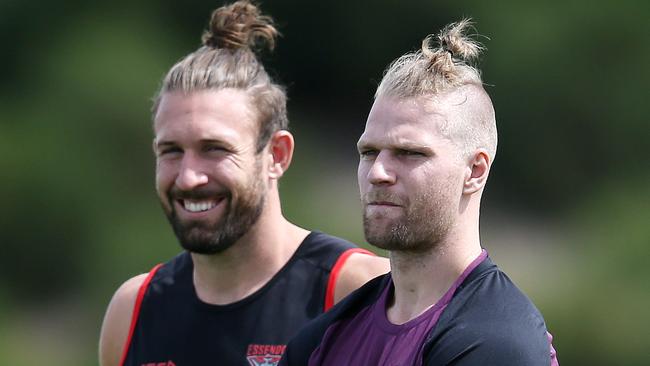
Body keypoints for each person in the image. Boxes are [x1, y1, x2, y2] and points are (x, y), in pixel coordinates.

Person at [98, 2, 389, 366]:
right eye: (171, 151)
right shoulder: (132, 310)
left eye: (214, 149)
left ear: (277, 155)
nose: (189, 177)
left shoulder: (360, 291)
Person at [280, 19, 559, 366]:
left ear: (475, 171)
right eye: (368, 152)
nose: (378, 173)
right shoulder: (322, 339)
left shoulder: (497, 342)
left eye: (410, 153)